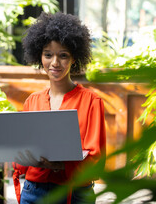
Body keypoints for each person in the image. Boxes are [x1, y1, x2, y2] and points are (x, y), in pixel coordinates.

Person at [12, 12, 106, 204]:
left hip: (75, 192)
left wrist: (61, 165)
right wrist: (20, 157)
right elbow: (21, 158)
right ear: (39, 56)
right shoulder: (32, 101)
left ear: (74, 59)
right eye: (48, 55)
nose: (54, 63)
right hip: (33, 191)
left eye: (63, 55)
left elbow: (96, 158)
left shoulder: (91, 101)